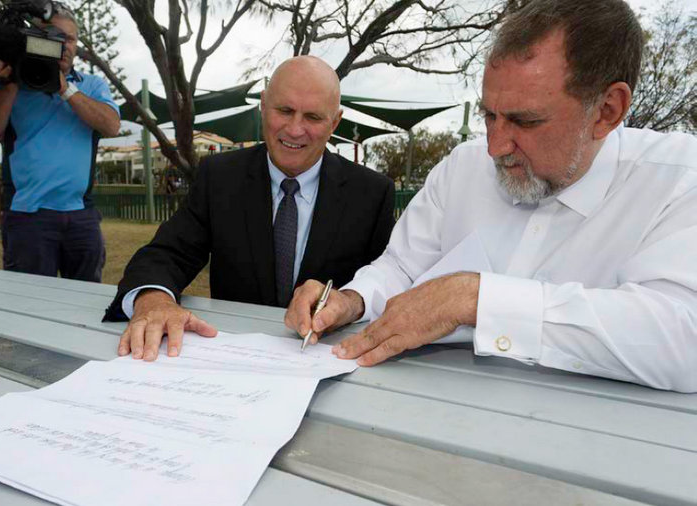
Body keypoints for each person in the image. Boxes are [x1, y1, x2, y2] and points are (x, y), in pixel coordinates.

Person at [286, 0, 697, 392]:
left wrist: (476, 299)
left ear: (607, 110)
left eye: (525, 121)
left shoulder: (678, 181)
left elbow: (682, 340)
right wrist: (352, 300)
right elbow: (402, 268)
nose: (495, 146)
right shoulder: (462, 168)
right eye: (489, 115)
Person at [105, 56, 396, 362]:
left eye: (312, 117)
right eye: (285, 111)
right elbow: (167, 254)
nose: (295, 129)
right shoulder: (219, 178)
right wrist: (153, 300)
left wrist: (350, 305)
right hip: (232, 362)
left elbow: (390, 280)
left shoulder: (372, 194)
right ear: (263, 106)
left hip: (330, 364)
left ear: (334, 122)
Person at [0, 5, 120, 282]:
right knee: (29, 300)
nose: (64, 45)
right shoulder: (9, 86)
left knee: (86, 299)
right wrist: (13, 81)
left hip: (81, 213)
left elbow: (111, 125)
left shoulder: (92, 85)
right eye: (54, 36)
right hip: (28, 214)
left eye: (70, 39)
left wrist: (64, 87)